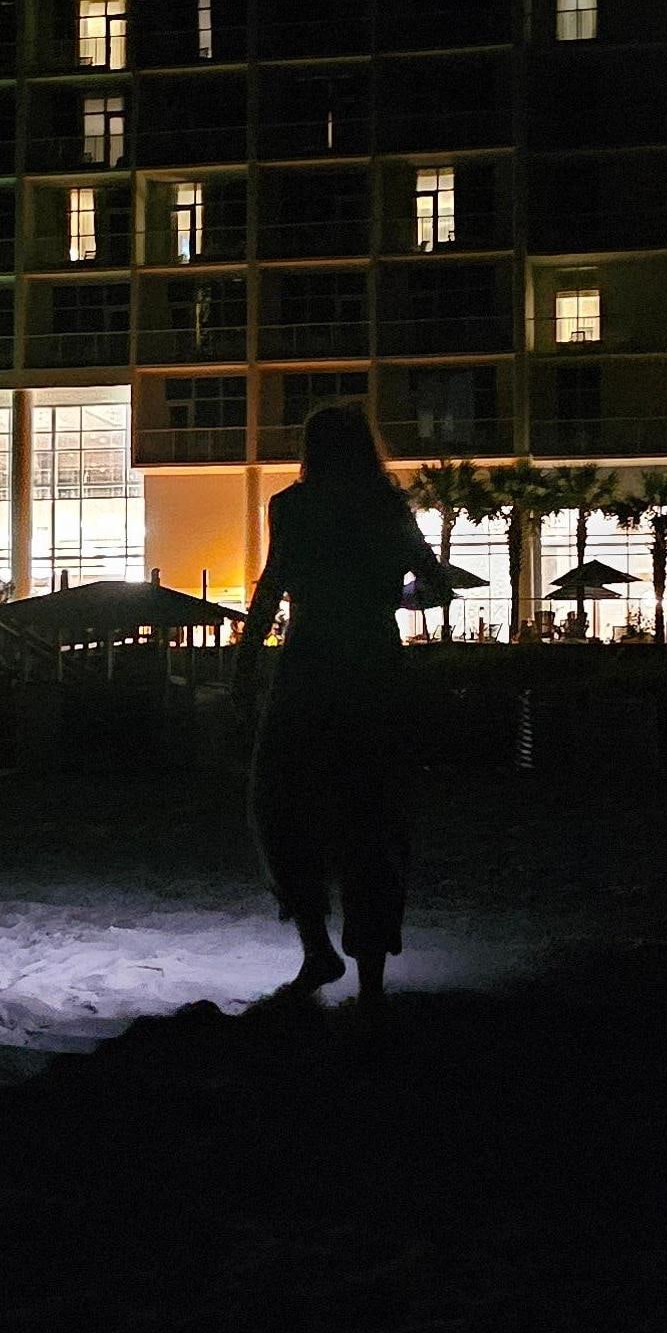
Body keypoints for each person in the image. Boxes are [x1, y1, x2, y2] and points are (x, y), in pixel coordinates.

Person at [232, 405, 451, 1004]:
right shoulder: (386, 506)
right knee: (374, 815)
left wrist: (247, 658)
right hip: (374, 663)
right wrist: (394, 596)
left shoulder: (291, 506)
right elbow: (432, 582)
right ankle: (372, 981)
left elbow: (272, 584)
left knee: (283, 804)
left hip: (307, 663)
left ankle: (316, 950)